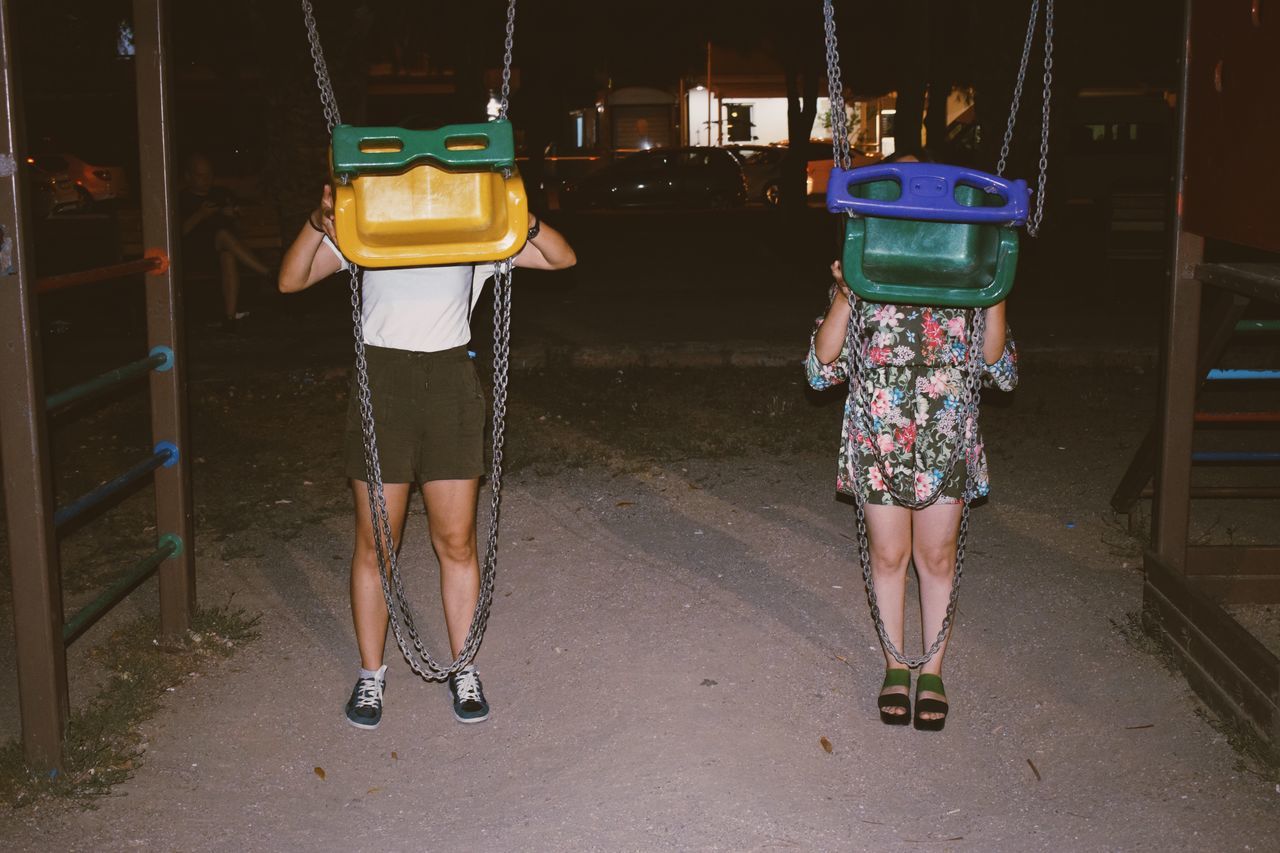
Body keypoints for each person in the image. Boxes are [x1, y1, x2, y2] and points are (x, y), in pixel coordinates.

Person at [278, 184, 575, 730]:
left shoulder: (472, 233)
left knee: (456, 540)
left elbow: (562, 257)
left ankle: (464, 666)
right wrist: (318, 221)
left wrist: (522, 218)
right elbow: (290, 279)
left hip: (449, 386)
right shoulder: (374, 229)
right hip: (382, 384)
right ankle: (371, 676)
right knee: (377, 545)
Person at [806, 244, 1017, 731]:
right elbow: (820, 370)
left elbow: (1000, 368)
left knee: (938, 558)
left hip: (945, 438)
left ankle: (934, 672)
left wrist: (996, 286)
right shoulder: (869, 276)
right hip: (878, 439)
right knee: (888, 557)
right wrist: (844, 293)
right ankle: (896, 666)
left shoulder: (966, 278)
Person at [179, 153, 271, 330]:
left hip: (221, 253)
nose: (206, 180)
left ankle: (229, 318)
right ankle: (269, 273)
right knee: (222, 235)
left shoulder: (220, 194)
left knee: (227, 253)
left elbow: (240, 224)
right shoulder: (181, 199)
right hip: (194, 255)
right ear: (188, 177)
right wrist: (200, 215)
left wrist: (234, 213)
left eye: (209, 175)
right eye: (200, 175)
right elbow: (178, 233)